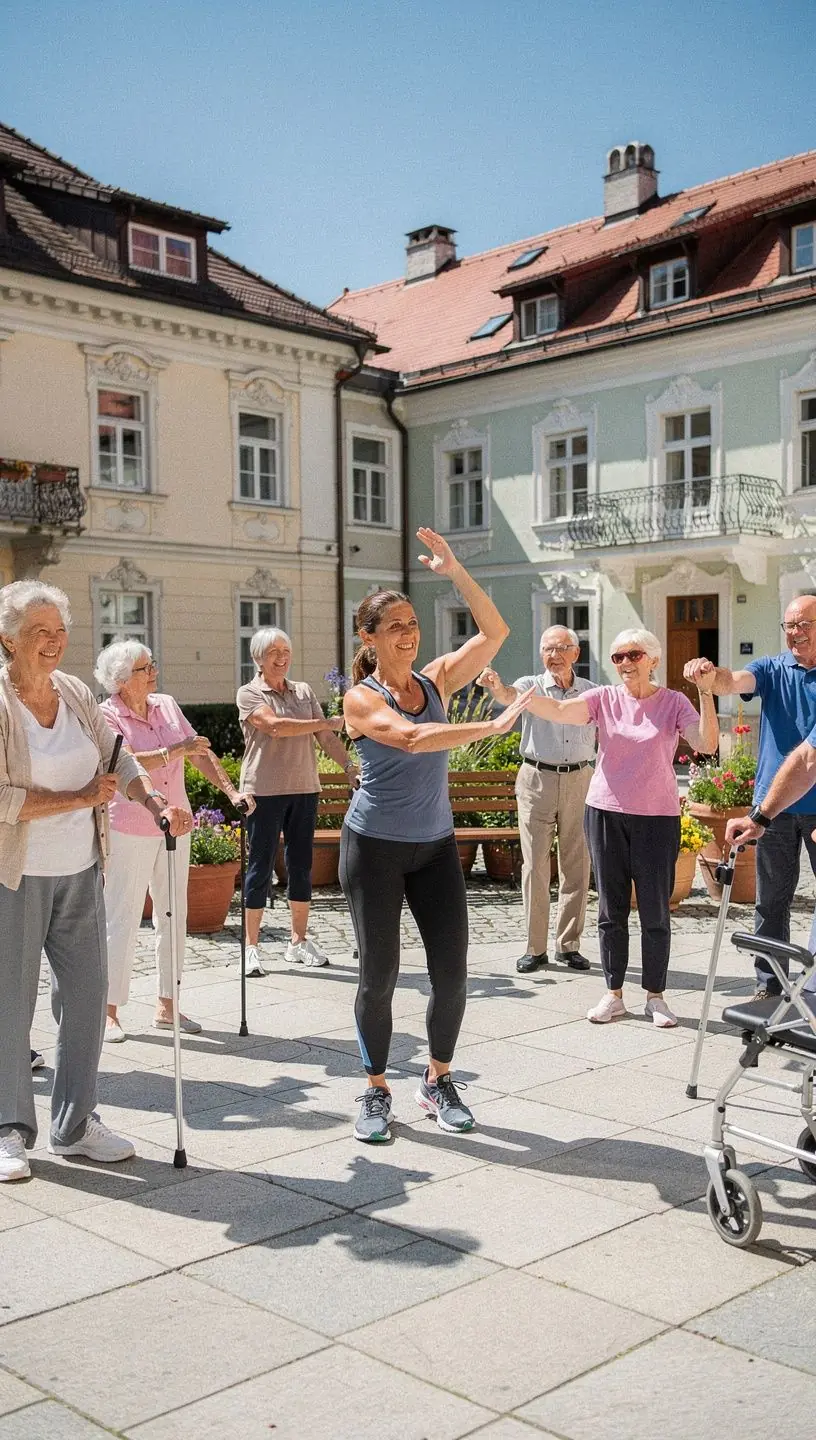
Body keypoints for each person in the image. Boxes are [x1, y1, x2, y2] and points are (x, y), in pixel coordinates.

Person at [341, 526, 531, 1143]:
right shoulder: (359, 699)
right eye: (394, 625)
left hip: (434, 847)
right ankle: (375, 1089)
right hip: (374, 848)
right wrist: (489, 728)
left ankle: (438, 1079)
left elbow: (496, 633)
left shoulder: (435, 679)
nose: (408, 632)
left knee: (452, 971)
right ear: (368, 638)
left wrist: (455, 572)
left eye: (413, 623)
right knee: (381, 974)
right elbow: (412, 737)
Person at [0, 581, 188, 1184]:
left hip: (80, 870)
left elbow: (117, 757)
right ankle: (9, 1130)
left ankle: (76, 1124)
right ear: (8, 640)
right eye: (38, 634)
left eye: (59, 633)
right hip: (15, 875)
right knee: (10, 1004)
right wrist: (78, 798)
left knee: (86, 998)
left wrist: (153, 801)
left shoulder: (76, 692)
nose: (53, 645)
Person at [522, 628, 718, 1027]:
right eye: (617, 657)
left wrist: (706, 692)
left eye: (633, 655)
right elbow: (560, 712)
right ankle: (613, 994)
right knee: (611, 911)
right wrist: (516, 698)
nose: (626, 663)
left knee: (654, 912)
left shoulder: (673, 702)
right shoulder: (603, 698)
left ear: (653, 659)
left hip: (658, 818)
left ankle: (656, 997)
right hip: (606, 813)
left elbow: (708, 744)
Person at [95, 640, 255, 1042]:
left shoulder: (166, 704)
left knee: (173, 914)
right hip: (129, 825)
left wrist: (231, 792)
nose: (153, 672)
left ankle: (168, 1004)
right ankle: (109, 1011)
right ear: (121, 679)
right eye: (145, 668)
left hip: (175, 825)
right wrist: (172, 751)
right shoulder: (107, 714)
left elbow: (199, 753)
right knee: (122, 917)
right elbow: (122, 761)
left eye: (152, 664)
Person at [684, 594, 816, 999]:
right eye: (789, 625)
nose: (795, 633)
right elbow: (736, 680)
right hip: (770, 809)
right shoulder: (773, 668)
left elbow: (809, 759)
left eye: (804, 624)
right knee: (770, 902)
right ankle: (769, 985)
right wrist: (710, 678)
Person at [236, 626, 357, 974]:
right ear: (258, 657)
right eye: (274, 652)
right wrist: (325, 722)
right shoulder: (249, 693)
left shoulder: (302, 691)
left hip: (305, 787)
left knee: (301, 866)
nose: (281, 657)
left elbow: (325, 736)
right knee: (260, 867)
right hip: (263, 790)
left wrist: (349, 766)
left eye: (286, 650)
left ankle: (297, 942)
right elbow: (274, 726)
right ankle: (252, 947)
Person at [478, 625, 596, 974]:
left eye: (561, 648)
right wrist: (497, 686)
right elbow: (507, 695)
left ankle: (569, 945)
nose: (553, 655)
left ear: (576, 653)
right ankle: (535, 948)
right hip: (536, 779)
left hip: (580, 779)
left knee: (577, 865)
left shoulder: (591, 692)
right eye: (547, 648)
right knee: (535, 867)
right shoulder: (530, 686)